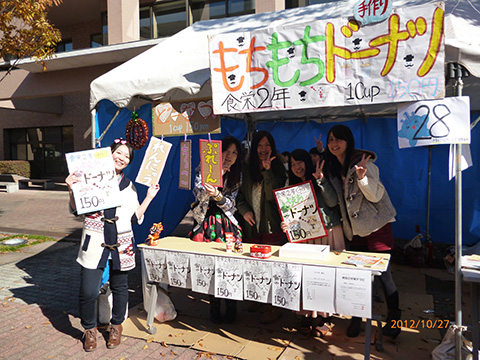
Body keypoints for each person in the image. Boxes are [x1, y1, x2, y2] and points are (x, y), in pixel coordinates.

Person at [66, 138, 160, 352]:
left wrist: (149, 198)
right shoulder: (88, 180)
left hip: (121, 244)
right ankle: (89, 329)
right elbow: (76, 209)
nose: (122, 158)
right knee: (88, 291)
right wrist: (71, 188)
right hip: (94, 243)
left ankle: (116, 326)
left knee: (120, 288)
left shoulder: (129, 186)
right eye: (119, 153)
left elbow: (135, 217)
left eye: (127, 156)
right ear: (109, 154)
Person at [324, 124, 401, 339]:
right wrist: (321, 176)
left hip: (377, 226)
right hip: (355, 230)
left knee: (384, 275)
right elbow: (333, 199)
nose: (333, 144)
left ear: (348, 141)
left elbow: (375, 196)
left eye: (338, 139)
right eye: (330, 140)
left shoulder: (364, 163)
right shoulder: (332, 167)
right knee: (358, 276)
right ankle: (357, 318)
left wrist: (362, 178)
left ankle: (394, 319)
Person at [280, 148, 345, 336]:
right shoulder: (291, 185)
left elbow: (333, 202)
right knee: (306, 275)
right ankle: (308, 314)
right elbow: (292, 215)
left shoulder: (321, 177)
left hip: (328, 231)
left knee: (326, 276)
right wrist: (286, 225)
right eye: (292, 164)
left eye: (299, 162)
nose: (296, 167)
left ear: (307, 162)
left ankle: (327, 318)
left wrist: (320, 180)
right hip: (306, 236)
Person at [190, 135, 244, 324]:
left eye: (234, 152)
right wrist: (217, 175)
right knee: (210, 265)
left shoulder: (237, 174)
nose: (230, 156)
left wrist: (219, 196)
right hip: (205, 222)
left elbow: (232, 205)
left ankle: (231, 304)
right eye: (227, 151)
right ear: (219, 152)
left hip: (227, 223)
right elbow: (198, 194)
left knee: (229, 264)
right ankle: (213, 305)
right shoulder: (203, 168)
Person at [236, 130, 287, 323]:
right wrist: (244, 210)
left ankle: (274, 306)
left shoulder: (278, 167)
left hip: (271, 224)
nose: (264, 149)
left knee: (273, 266)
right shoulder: (245, 167)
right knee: (254, 265)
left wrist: (267, 171)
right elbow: (238, 195)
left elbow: (275, 195)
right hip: (251, 226)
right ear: (254, 147)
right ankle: (258, 297)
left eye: (267, 145)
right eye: (260, 145)